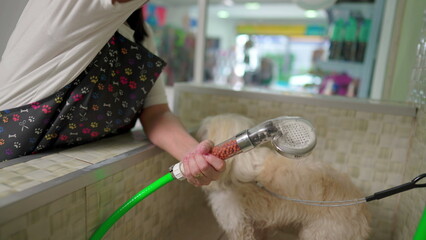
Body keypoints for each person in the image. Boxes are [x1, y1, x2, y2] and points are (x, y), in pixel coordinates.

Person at [0, 0, 225, 187]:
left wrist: (193, 156)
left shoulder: (141, 34)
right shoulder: (65, 6)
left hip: (75, 178)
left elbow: (155, 113)